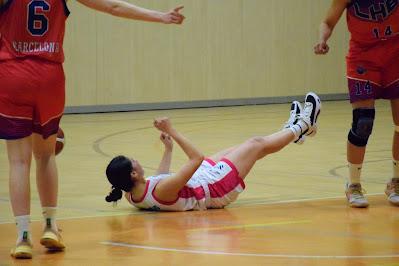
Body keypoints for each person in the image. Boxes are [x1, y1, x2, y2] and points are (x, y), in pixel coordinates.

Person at [0, 0, 185, 259]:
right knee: (45, 156)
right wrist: (161, 16)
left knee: (19, 161)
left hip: (13, 73)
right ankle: (51, 225)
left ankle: (22, 236)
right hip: (50, 76)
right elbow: (112, 6)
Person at [104, 93, 321, 211]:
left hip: (202, 180)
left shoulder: (131, 194)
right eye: (133, 162)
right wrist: (172, 131)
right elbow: (196, 158)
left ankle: (291, 132)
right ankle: (304, 125)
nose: (137, 160)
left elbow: (158, 179)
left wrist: (168, 149)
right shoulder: (162, 191)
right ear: (133, 174)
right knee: (255, 145)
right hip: (214, 188)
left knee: (245, 148)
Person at [314, 0, 399, 208]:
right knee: (363, 122)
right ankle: (353, 184)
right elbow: (327, 22)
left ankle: (396, 182)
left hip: (395, 56)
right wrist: (322, 39)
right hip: (363, 60)